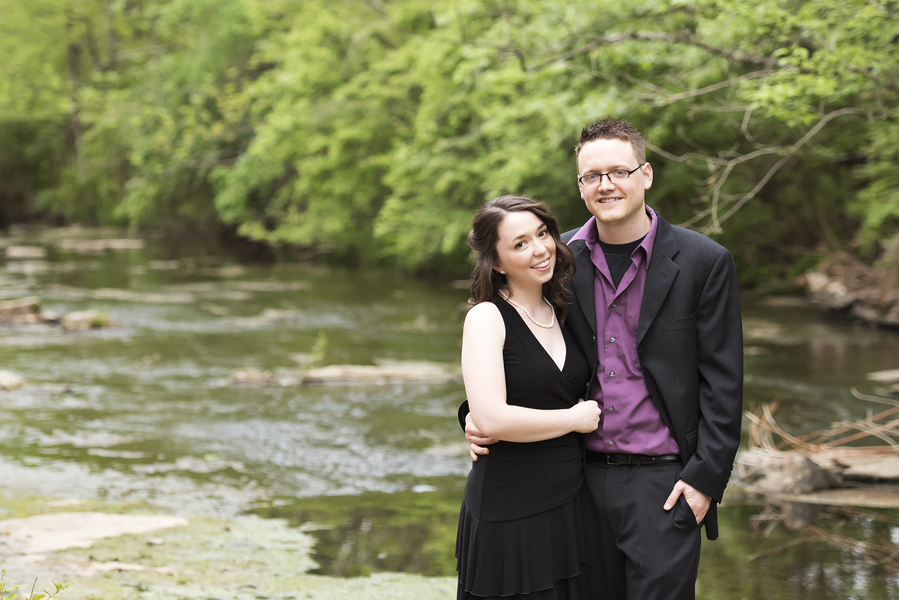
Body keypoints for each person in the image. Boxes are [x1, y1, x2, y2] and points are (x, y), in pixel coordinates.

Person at [463, 119, 744, 600]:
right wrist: (473, 416)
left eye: (618, 171)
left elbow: (724, 380)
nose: (605, 184)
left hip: (664, 480)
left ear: (646, 174)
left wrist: (705, 480)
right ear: (580, 185)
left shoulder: (704, 261)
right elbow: (517, 344)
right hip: (575, 482)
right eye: (592, 175)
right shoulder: (558, 258)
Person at [455, 195, 603, 600]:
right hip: (509, 509)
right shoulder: (487, 317)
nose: (540, 249)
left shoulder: (564, 309)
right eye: (520, 243)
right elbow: (492, 420)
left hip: (570, 503)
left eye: (542, 234)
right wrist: (574, 419)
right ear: (498, 262)